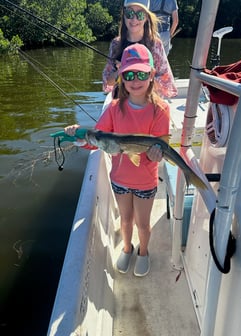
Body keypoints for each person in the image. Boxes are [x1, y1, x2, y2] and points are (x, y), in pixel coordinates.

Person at [65, 44, 170, 277]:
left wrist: (157, 155)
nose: (135, 80)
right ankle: (126, 247)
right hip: (120, 179)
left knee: (142, 224)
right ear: (121, 77)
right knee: (125, 220)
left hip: (145, 181)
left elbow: (160, 146)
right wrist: (81, 137)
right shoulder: (114, 108)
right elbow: (98, 139)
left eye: (141, 74)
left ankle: (143, 252)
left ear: (151, 75)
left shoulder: (160, 110)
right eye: (129, 74)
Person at [102, 0, 177, 99]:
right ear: (124, 15)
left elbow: (167, 83)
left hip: (147, 102)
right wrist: (119, 72)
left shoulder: (155, 45)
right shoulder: (116, 44)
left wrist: (145, 74)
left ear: (146, 17)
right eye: (130, 13)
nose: (134, 19)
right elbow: (107, 81)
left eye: (140, 15)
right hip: (121, 102)